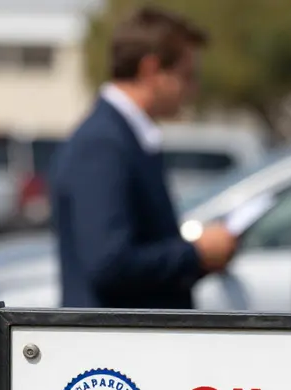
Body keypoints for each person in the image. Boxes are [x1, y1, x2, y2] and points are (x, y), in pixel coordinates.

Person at [51, 5, 236, 309]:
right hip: (113, 346)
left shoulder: (123, 137)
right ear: (151, 70)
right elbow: (109, 264)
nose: (192, 89)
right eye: (186, 76)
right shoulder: (103, 143)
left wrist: (200, 260)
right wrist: (196, 253)